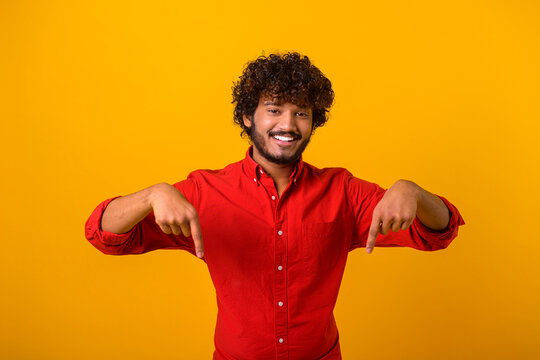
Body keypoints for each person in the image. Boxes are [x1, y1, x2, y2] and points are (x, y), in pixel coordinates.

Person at [84, 52, 465, 360]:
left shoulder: (343, 191)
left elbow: (438, 232)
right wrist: (153, 193)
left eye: (301, 112)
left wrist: (412, 191)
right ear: (248, 116)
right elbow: (103, 233)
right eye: (274, 109)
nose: (288, 123)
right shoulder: (204, 191)